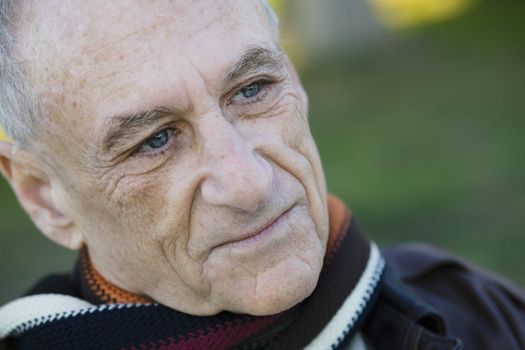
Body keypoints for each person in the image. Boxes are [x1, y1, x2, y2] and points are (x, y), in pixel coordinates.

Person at [0, 1, 523, 349]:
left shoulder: (470, 307)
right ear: (43, 197)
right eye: (154, 140)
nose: (249, 185)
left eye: (252, 89)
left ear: (293, 78)